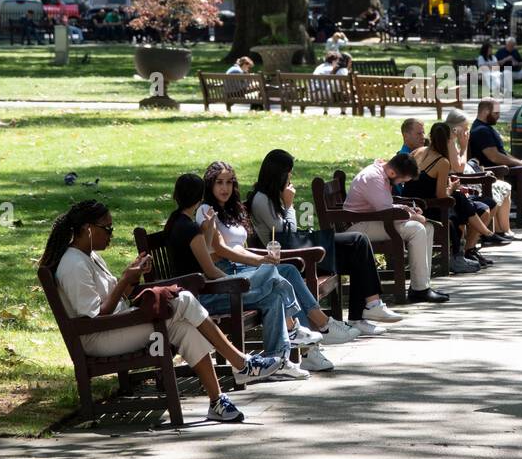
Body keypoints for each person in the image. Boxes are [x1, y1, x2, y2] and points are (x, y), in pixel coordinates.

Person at [41, 200, 275, 423]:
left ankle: (217, 401)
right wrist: (124, 281)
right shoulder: (73, 265)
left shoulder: (89, 256)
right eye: (107, 228)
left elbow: (116, 298)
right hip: (99, 337)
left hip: (116, 325)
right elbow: (95, 317)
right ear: (87, 229)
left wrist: (133, 277)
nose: (111, 233)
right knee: (183, 299)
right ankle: (241, 364)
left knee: (182, 327)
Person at [200, 161, 361, 372]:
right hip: (226, 276)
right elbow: (220, 250)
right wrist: (260, 261)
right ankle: (321, 326)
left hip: (241, 270)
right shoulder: (206, 210)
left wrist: (263, 258)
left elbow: (241, 247)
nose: (225, 188)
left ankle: (297, 354)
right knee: (285, 272)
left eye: (229, 182)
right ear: (209, 185)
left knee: (281, 285)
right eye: (219, 183)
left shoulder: (230, 210)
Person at [164, 172, 315, 380]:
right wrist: (234, 283)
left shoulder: (177, 223)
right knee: (272, 272)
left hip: (200, 293)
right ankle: (292, 329)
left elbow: (203, 253)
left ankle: (278, 360)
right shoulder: (189, 229)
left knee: (273, 296)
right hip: (205, 298)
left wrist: (208, 230)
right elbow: (210, 271)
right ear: (200, 198)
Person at [245, 151, 402, 334]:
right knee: (357, 246)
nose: (291, 176)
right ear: (279, 173)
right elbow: (287, 234)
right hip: (292, 257)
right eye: (289, 172)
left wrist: (287, 204)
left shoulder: (272, 195)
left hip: (297, 250)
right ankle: (364, 312)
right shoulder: (262, 199)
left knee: (358, 243)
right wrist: (289, 206)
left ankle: (368, 309)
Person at [344, 153, 445, 302]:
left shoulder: (382, 174)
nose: (400, 185)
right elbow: (386, 211)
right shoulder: (373, 178)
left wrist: (406, 209)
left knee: (427, 227)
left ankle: (421, 285)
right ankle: (420, 290)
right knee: (417, 229)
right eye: (401, 181)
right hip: (359, 226)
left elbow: (384, 205)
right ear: (392, 173)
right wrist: (413, 217)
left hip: (373, 220)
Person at [401, 122, 498, 272]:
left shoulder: (416, 152)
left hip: (412, 204)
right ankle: (472, 245)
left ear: (430, 137)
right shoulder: (442, 162)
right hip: (427, 208)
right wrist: (452, 188)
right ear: (448, 141)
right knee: (456, 200)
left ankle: (482, 237)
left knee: (458, 199)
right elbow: (442, 196)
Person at [469, 97, 522, 227]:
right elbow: (494, 157)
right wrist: (519, 164)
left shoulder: (486, 128)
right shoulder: (481, 130)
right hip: (494, 170)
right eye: (496, 113)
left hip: (500, 166)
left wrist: (520, 161)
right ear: (486, 112)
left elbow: (501, 153)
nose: (498, 116)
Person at [446, 108, 517, 242]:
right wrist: (464, 146)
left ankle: (500, 231)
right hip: (458, 185)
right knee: (488, 202)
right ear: (456, 129)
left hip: (462, 182)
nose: (467, 131)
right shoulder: (449, 141)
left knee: (496, 196)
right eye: (465, 128)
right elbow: (459, 168)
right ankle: (488, 235)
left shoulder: (452, 141)